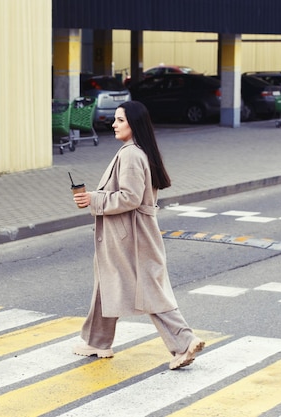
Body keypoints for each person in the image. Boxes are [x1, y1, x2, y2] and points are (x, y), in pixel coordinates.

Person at [72, 100, 204, 370]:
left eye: (120, 120)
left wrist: (93, 200)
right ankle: (97, 340)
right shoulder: (138, 151)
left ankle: (184, 342)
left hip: (130, 234)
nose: (113, 124)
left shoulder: (131, 154)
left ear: (134, 123)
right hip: (130, 232)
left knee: (148, 289)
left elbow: (130, 197)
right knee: (107, 280)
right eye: (115, 120)